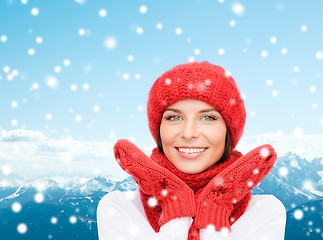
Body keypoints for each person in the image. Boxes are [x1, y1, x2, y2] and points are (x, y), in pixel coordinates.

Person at [97, 61, 286, 240]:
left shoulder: (264, 212)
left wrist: (216, 206)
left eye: (208, 118)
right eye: (174, 118)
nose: (189, 133)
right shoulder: (119, 208)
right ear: (159, 129)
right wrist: (173, 202)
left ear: (228, 130)